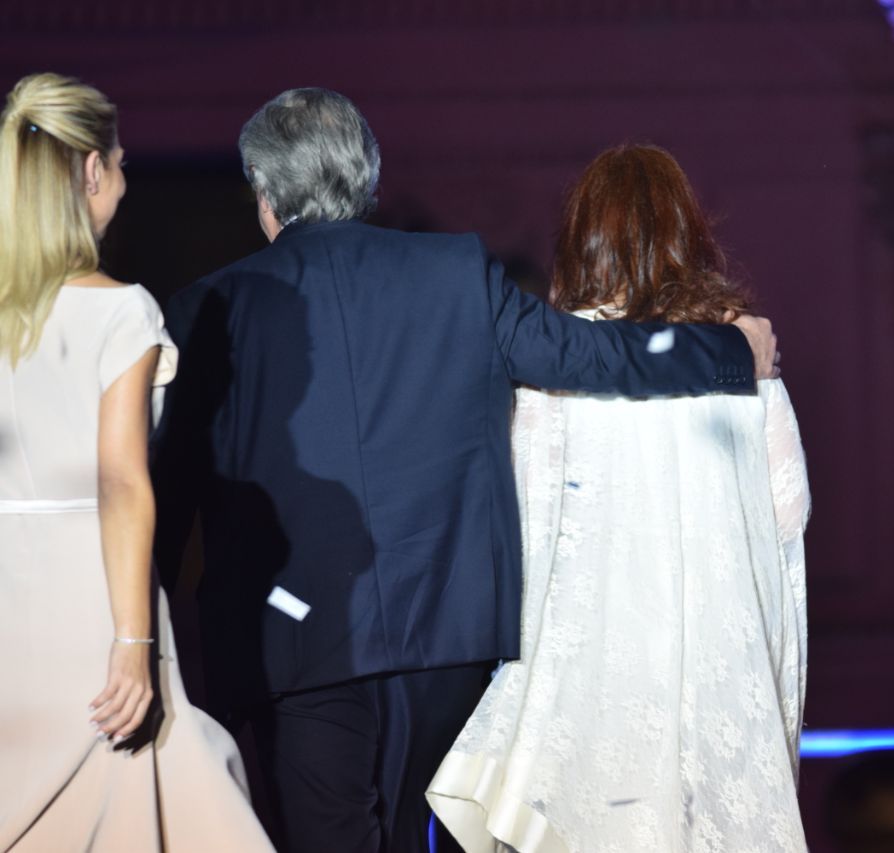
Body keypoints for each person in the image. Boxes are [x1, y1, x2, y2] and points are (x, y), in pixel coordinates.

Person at [149, 94, 780, 853]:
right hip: (444, 640)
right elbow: (596, 357)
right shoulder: (455, 273)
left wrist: (138, 642)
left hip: (293, 647)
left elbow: (164, 495)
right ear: (369, 178)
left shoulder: (206, 309)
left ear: (263, 192)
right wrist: (731, 351)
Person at [425, 143, 810, 853]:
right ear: (688, 238)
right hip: (710, 667)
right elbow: (788, 515)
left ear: (583, 241)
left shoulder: (555, 370)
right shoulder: (742, 359)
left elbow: (523, 523)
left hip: (591, 681)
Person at [0, 73, 272, 851]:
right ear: (89, 171)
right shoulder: (120, 309)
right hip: (87, 597)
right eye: (120, 162)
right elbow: (122, 480)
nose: (123, 179)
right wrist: (132, 643)